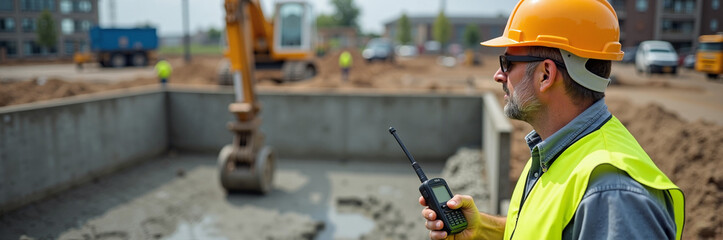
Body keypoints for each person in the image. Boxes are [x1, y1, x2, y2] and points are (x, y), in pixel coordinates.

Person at [420, 0, 685, 239]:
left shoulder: (612, 195)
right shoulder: (557, 151)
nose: (499, 76)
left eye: (507, 62)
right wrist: (483, 227)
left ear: (546, 75)